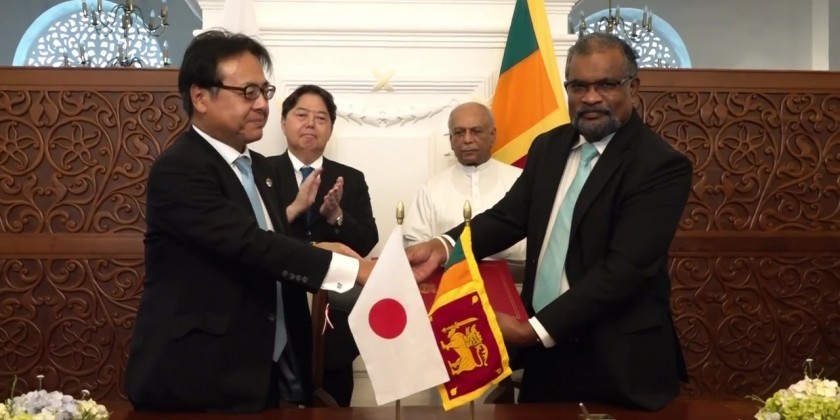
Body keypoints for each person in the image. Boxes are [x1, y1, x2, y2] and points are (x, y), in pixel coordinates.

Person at [407, 33, 691, 411]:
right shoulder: (549, 146)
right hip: (545, 355)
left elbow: (625, 271)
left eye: (606, 85)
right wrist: (443, 246)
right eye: (579, 86)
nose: (591, 97)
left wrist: (533, 330)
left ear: (632, 87)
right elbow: (508, 218)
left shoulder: (659, 165)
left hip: (617, 360)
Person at [124, 30, 373, 413]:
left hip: (264, 371)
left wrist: (317, 247)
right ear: (200, 96)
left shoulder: (258, 168)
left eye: (264, 91)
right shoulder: (181, 168)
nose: (261, 105)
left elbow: (267, 241)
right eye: (247, 92)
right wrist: (354, 269)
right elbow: (249, 245)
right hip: (198, 376)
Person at [270, 84, 378, 406]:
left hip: (334, 314)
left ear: (330, 128)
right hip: (277, 306)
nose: (310, 124)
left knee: (334, 399)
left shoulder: (350, 178)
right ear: (284, 122)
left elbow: (367, 241)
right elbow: (252, 236)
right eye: (301, 115)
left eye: (320, 118)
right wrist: (296, 212)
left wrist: (336, 216)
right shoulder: (261, 171)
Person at [402, 102, 525, 263]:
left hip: (514, 276)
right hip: (449, 277)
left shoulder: (520, 180)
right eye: (459, 133)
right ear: (451, 140)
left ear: (492, 135)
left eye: (476, 131)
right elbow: (416, 246)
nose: (467, 140)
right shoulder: (432, 188)